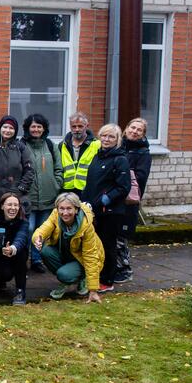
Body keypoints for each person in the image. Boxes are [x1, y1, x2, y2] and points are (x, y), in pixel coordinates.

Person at [80, 123, 131, 293]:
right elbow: (91, 183)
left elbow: (123, 187)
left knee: (107, 246)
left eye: (111, 137)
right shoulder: (98, 156)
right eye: (104, 136)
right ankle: (96, 277)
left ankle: (108, 280)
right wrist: (84, 202)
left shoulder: (120, 159)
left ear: (117, 140)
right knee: (94, 245)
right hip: (94, 210)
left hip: (110, 213)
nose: (106, 139)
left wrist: (104, 200)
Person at [32, 192, 104, 303]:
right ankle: (67, 279)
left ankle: (80, 278)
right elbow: (43, 228)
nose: (65, 213)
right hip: (67, 254)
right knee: (45, 251)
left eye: (69, 209)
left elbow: (91, 256)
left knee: (64, 274)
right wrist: (38, 238)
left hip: (83, 259)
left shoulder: (86, 225)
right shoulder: (55, 214)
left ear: (76, 209)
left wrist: (93, 289)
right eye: (62, 208)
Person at [21, 113, 63, 273]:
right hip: (28, 198)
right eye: (33, 126)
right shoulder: (22, 145)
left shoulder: (51, 146)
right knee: (29, 228)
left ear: (44, 128)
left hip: (48, 198)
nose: (36, 129)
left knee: (42, 229)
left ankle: (37, 260)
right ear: (28, 128)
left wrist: (56, 184)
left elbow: (59, 168)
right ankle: (24, 258)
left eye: (39, 126)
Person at [118, 117, 152, 283]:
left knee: (122, 237)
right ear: (126, 128)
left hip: (128, 202)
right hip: (113, 199)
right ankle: (113, 267)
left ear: (143, 134)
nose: (134, 131)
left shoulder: (143, 153)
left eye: (139, 130)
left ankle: (124, 270)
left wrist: (122, 175)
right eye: (132, 127)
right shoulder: (118, 146)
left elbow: (140, 178)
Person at [0, 115, 35, 212]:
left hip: (16, 196)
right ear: (0, 128)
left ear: (15, 131)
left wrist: (21, 188)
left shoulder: (21, 147)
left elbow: (29, 170)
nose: (7, 130)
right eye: (5, 127)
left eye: (11, 128)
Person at [0, 193, 30, 305]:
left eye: (16, 205)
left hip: (16, 253)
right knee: (6, 275)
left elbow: (22, 237)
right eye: (9, 204)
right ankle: (1, 279)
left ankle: (20, 291)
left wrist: (13, 248)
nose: (13, 208)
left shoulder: (23, 221)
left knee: (21, 256)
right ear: (2, 206)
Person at [59, 112, 100, 196]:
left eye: (80, 126)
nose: (77, 129)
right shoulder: (62, 145)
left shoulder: (97, 144)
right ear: (70, 127)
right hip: (66, 190)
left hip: (88, 189)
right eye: (74, 126)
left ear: (87, 126)